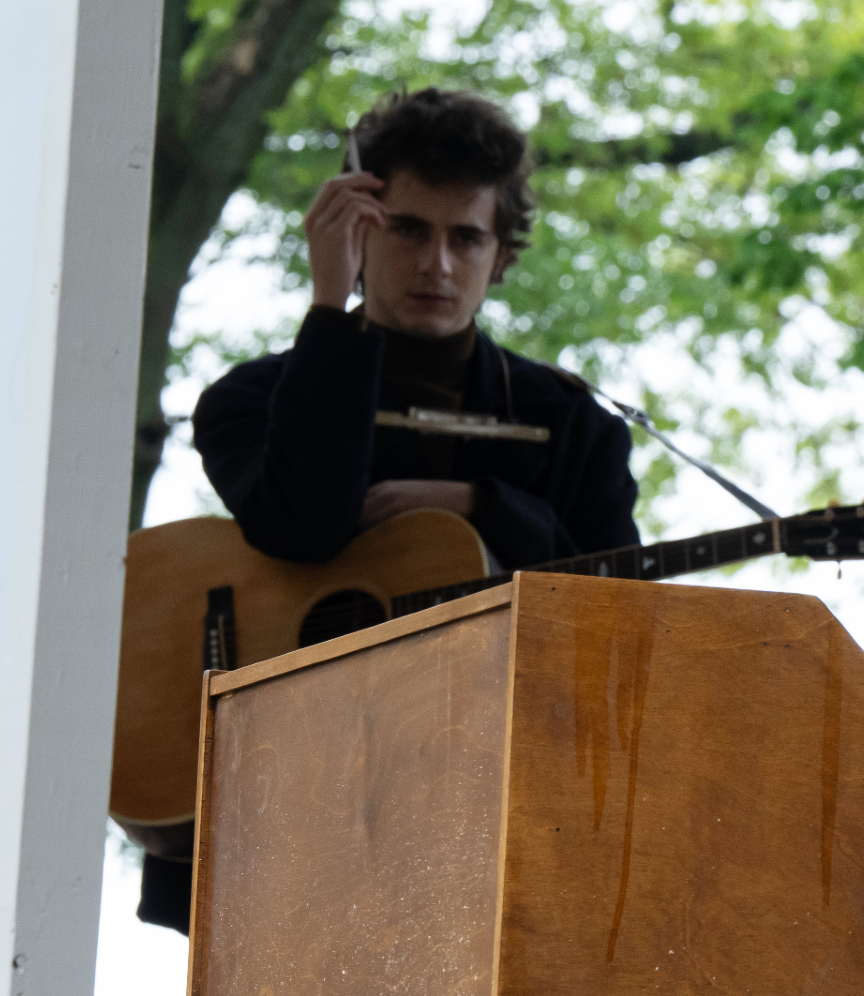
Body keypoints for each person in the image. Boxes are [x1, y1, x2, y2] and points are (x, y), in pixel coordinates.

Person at [142, 88, 640, 931]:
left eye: (466, 237)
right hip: (279, 799)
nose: (437, 265)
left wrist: (488, 506)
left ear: (501, 254)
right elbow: (299, 524)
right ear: (357, 228)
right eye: (407, 229)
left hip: (475, 813)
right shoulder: (249, 399)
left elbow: (613, 618)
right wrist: (328, 308)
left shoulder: (572, 424)